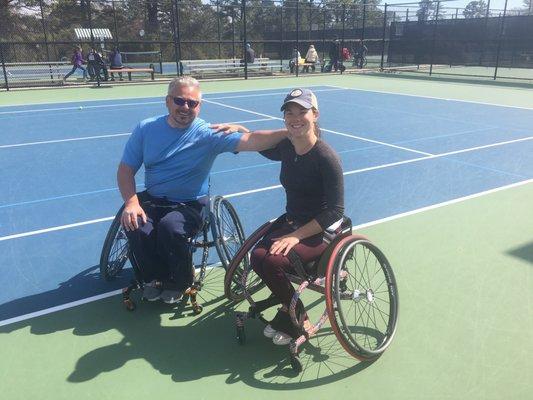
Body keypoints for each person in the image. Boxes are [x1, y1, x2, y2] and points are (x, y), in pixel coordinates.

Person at [118, 77, 287, 304]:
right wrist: (131, 202)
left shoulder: (208, 134)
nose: (185, 107)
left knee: (170, 228)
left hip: (190, 203)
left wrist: (290, 131)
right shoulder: (146, 128)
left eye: (192, 103)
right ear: (168, 101)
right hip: (153, 199)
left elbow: (253, 141)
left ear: (200, 106)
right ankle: (153, 278)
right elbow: (126, 169)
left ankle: (180, 280)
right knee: (135, 225)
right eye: (180, 101)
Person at [227, 89, 344, 345]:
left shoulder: (326, 157)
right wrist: (241, 130)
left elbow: (336, 211)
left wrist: (295, 236)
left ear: (315, 115)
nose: (295, 118)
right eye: (289, 113)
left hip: (320, 233)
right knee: (258, 257)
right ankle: (291, 309)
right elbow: (261, 146)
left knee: (271, 262)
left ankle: (297, 318)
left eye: (302, 112)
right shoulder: (287, 147)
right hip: (292, 222)